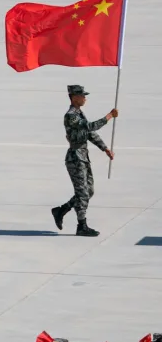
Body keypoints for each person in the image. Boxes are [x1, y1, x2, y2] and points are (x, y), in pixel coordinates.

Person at [51, 85, 117, 237]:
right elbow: (89, 127)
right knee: (82, 193)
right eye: (82, 96)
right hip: (75, 157)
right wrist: (109, 116)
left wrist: (105, 149)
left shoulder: (79, 113)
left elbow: (90, 134)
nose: (85, 98)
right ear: (74, 97)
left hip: (83, 156)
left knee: (89, 191)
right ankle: (81, 225)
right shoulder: (71, 115)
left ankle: (61, 210)